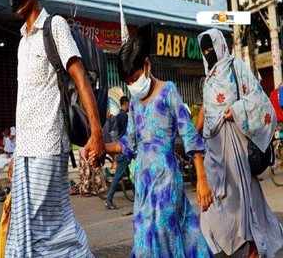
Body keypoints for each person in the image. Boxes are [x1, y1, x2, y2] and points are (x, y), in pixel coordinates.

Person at [5, 0, 104, 257]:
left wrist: (97, 132)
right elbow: (26, 100)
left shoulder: (55, 26)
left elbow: (81, 80)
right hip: (26, 150)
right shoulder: (22, 40)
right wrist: (16, 153)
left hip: (48, 144)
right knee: (30, 228)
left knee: (43, 231)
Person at [104, 35, 213, 257]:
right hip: (143, 183)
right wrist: (102, 146)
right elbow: (130, 143)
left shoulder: (168, 91)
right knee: (145, 233)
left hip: (166, 178)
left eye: (135, 78)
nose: (132, 85)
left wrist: (202, 179)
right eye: (128, 82)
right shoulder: (133, 102)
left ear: (146, 65)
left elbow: (190, 136)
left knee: (161, 232)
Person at [198, 28, 283, 258]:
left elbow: (258, 100)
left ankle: (251, 247)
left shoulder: (236, 67)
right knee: (216, 208)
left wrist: (235, 111)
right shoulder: (207, 80)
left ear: (220, 45)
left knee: (245, 205)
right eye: (204, 50)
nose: (208, 53)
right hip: (214, 152)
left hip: (237, 144)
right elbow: (206, 116)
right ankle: (237, 245)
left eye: (211, 48)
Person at [104, 96, 130, 210]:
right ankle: (109, 199)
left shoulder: (118, 116)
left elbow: (114, 133)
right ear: (126, 103)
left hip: (121, 146)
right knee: (118, 176)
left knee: (128, 174)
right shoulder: (124, 116)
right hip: (125, 148)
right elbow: (128, 133)